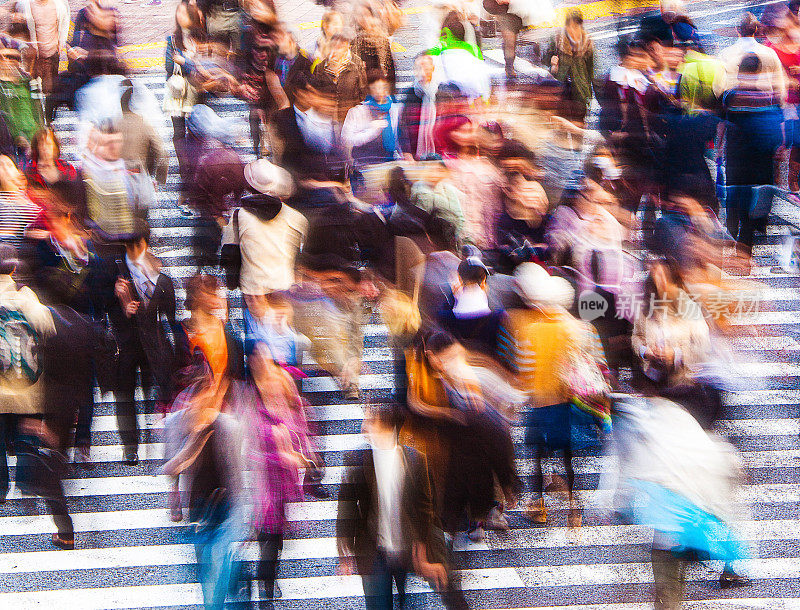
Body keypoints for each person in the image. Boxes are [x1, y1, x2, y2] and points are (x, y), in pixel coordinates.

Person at [497, 263, 608, 528]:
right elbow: (599, 365)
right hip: (570, 405)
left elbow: (524, 370)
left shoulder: (531, 332)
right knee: (569, 458)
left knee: (537, 457)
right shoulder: (583, 329)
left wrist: (513, 402)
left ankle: (538, 507)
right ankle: (574, 512)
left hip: (540, 405)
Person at [337, 402, 462, 610]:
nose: (363, 427)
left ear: (387, 426)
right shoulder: (357, 460)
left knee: (408, 601)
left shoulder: (416, 460)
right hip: (373, 551)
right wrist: (344, 551)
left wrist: (422, 551)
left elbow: (425, 509)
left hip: (409, 550)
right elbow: (347, 507)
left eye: (370, 421)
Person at [109, 220, 178, 465]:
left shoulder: (159, 275)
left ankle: (151, 431)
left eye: (137, 245)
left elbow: (171, 317)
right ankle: (130, 446)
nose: (134, 251)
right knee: (125, 395)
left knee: (155, 391)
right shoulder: (115, 272)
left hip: (153, 345)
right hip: (126, 345)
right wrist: (122, 309)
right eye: (130, 246)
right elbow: (101, 306)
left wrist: (180, 350)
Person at [716, 12, 787, 105]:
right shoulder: (770, 53)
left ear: (736, 29)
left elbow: (718, 88)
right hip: (764, 109)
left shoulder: (725, 54)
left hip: (736, 110)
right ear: (756, 29)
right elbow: (780, 88)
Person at [342, 69, 402, 168]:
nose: (380, 92)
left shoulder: (394, 110)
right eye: (375, 88)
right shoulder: (357, 112)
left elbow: (397, 140)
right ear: (369, 89)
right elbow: (346, 139)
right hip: (364, 165)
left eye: (383, 87)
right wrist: (372, 130)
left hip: (389, 164)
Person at [544, 9, 595, 122]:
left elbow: (591, 71)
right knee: (561, 128)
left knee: (578, 125)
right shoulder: (557, 39)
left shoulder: (587, 43)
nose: (572, 30)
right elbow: (545, 58)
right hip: (561, 91)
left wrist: (591, 94)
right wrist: (551, 62)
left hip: (580, 93)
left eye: (575, 26)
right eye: (569, 26)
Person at [24, 128, 86, 222]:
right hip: (41, 221)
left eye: (48, 144)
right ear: (36, 147)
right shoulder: (30, 171)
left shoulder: (67, 168)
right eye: (41, 144)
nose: (45, 148)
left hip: (69, 220)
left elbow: (77, 197)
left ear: (54, 146)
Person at [14, 0, 70, 98]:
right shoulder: (24, 5)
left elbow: (65, 23)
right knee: (32, 90)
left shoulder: (59, 5)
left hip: (51, 54)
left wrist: (61, 43)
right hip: (32, 57)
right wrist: (25, 47)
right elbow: (18, 29)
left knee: (50, 90)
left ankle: (48, 110)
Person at [310, 34, 367, 123]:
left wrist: (356, 112)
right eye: (333, 46)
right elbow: (315, 93)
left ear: (347, 48)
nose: (335, 50)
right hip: (327, 119)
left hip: (349, 118)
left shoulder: (355, 65)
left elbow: (363, 91)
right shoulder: (320, 68)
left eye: (339, 47)